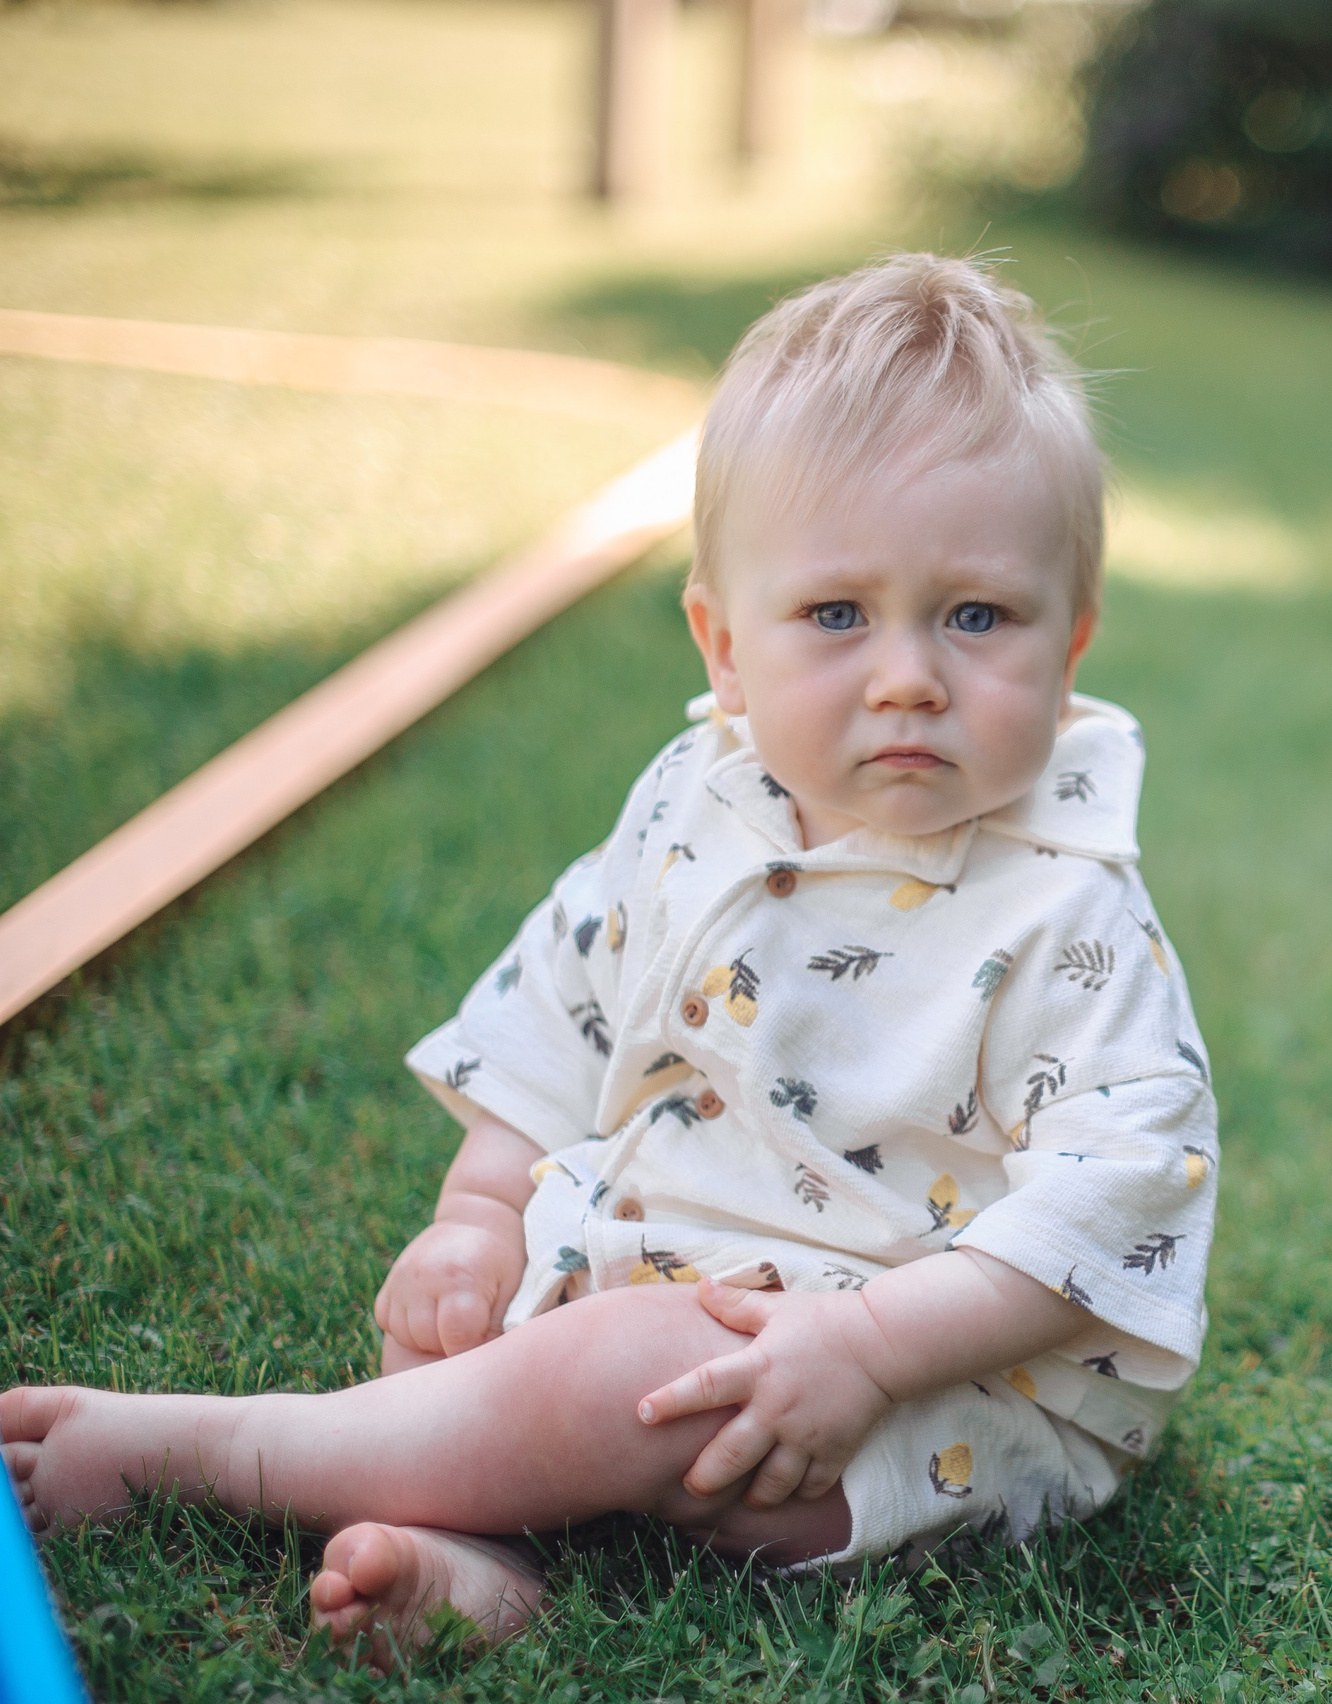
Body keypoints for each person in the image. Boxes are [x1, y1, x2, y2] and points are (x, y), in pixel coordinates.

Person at [3, 254, 1219, 1661]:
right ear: (723, 646)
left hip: (933, 1390)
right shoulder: (697, 805)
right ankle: (484, 1573)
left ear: (1069, 648)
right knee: (459, 1336)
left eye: (976, 616)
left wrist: (870, 1348)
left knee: (645, 1376)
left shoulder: (1070, 913)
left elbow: (1109, 1199)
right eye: (836, 614)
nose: (907, 675)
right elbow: (565, 1002)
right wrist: (478, 1214)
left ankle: (225, 1455)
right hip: (656, 1273)